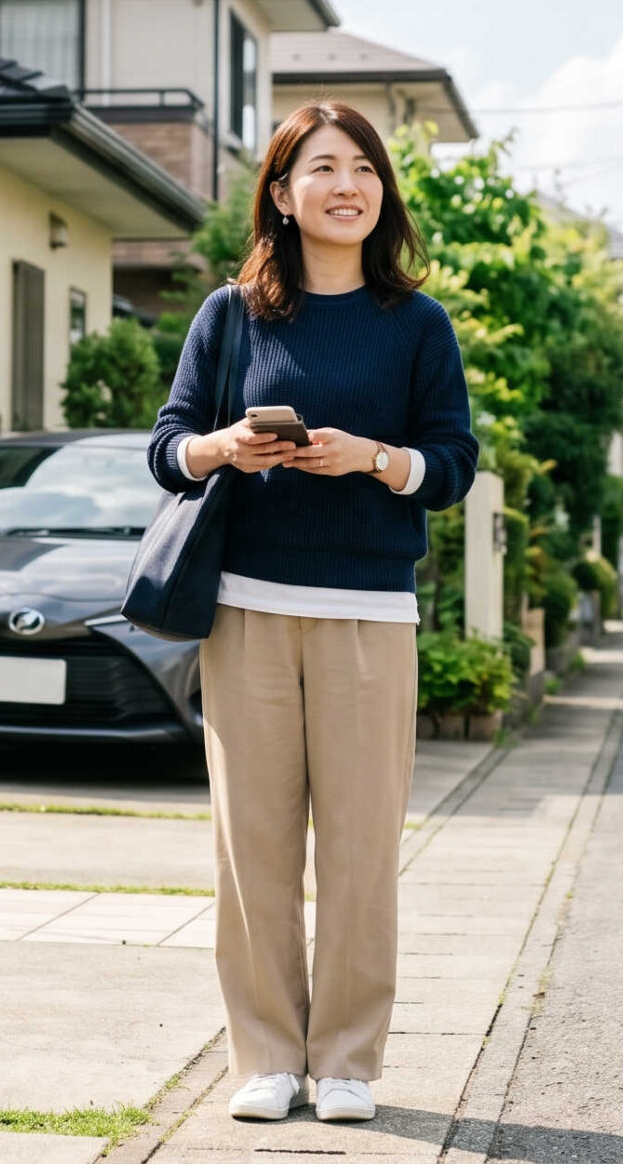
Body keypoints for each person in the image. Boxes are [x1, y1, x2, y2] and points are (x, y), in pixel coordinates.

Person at [148, 101, 477, 1124]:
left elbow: (452, 463)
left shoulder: (417, 324)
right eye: (322, 169)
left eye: (364, 169)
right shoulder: (229, 314)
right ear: (282, 196)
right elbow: (166, 447)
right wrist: (224, 445)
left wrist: (371, 458)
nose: (348, 185)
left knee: (361, 845)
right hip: (244, 610)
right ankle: (266, 1055)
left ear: (382, 192)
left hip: (369, 617)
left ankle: (344, 1060)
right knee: (251, 845)